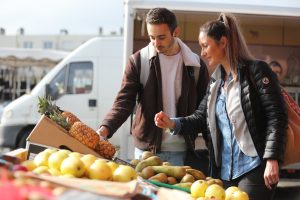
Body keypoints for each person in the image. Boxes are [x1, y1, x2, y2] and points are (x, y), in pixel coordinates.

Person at [154, 13, 287, 200]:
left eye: (205, 46)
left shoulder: (257, 71)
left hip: (255, 168)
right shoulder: (215, 82)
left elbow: (277, 116)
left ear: (223, 42)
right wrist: (172, 124)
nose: (202, 53)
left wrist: (272, 159)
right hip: (223, 172)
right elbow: (200, 118)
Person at [97, 7, 209, 166]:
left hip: (182, 152)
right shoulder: (138, 61)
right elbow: (124, 102)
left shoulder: (196, 66)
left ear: (176, 32)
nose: (156, 43)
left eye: (161, 37)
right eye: (152, 37)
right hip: (146, 152)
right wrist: (105, 129)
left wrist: (213, 150)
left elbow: (204, 112)